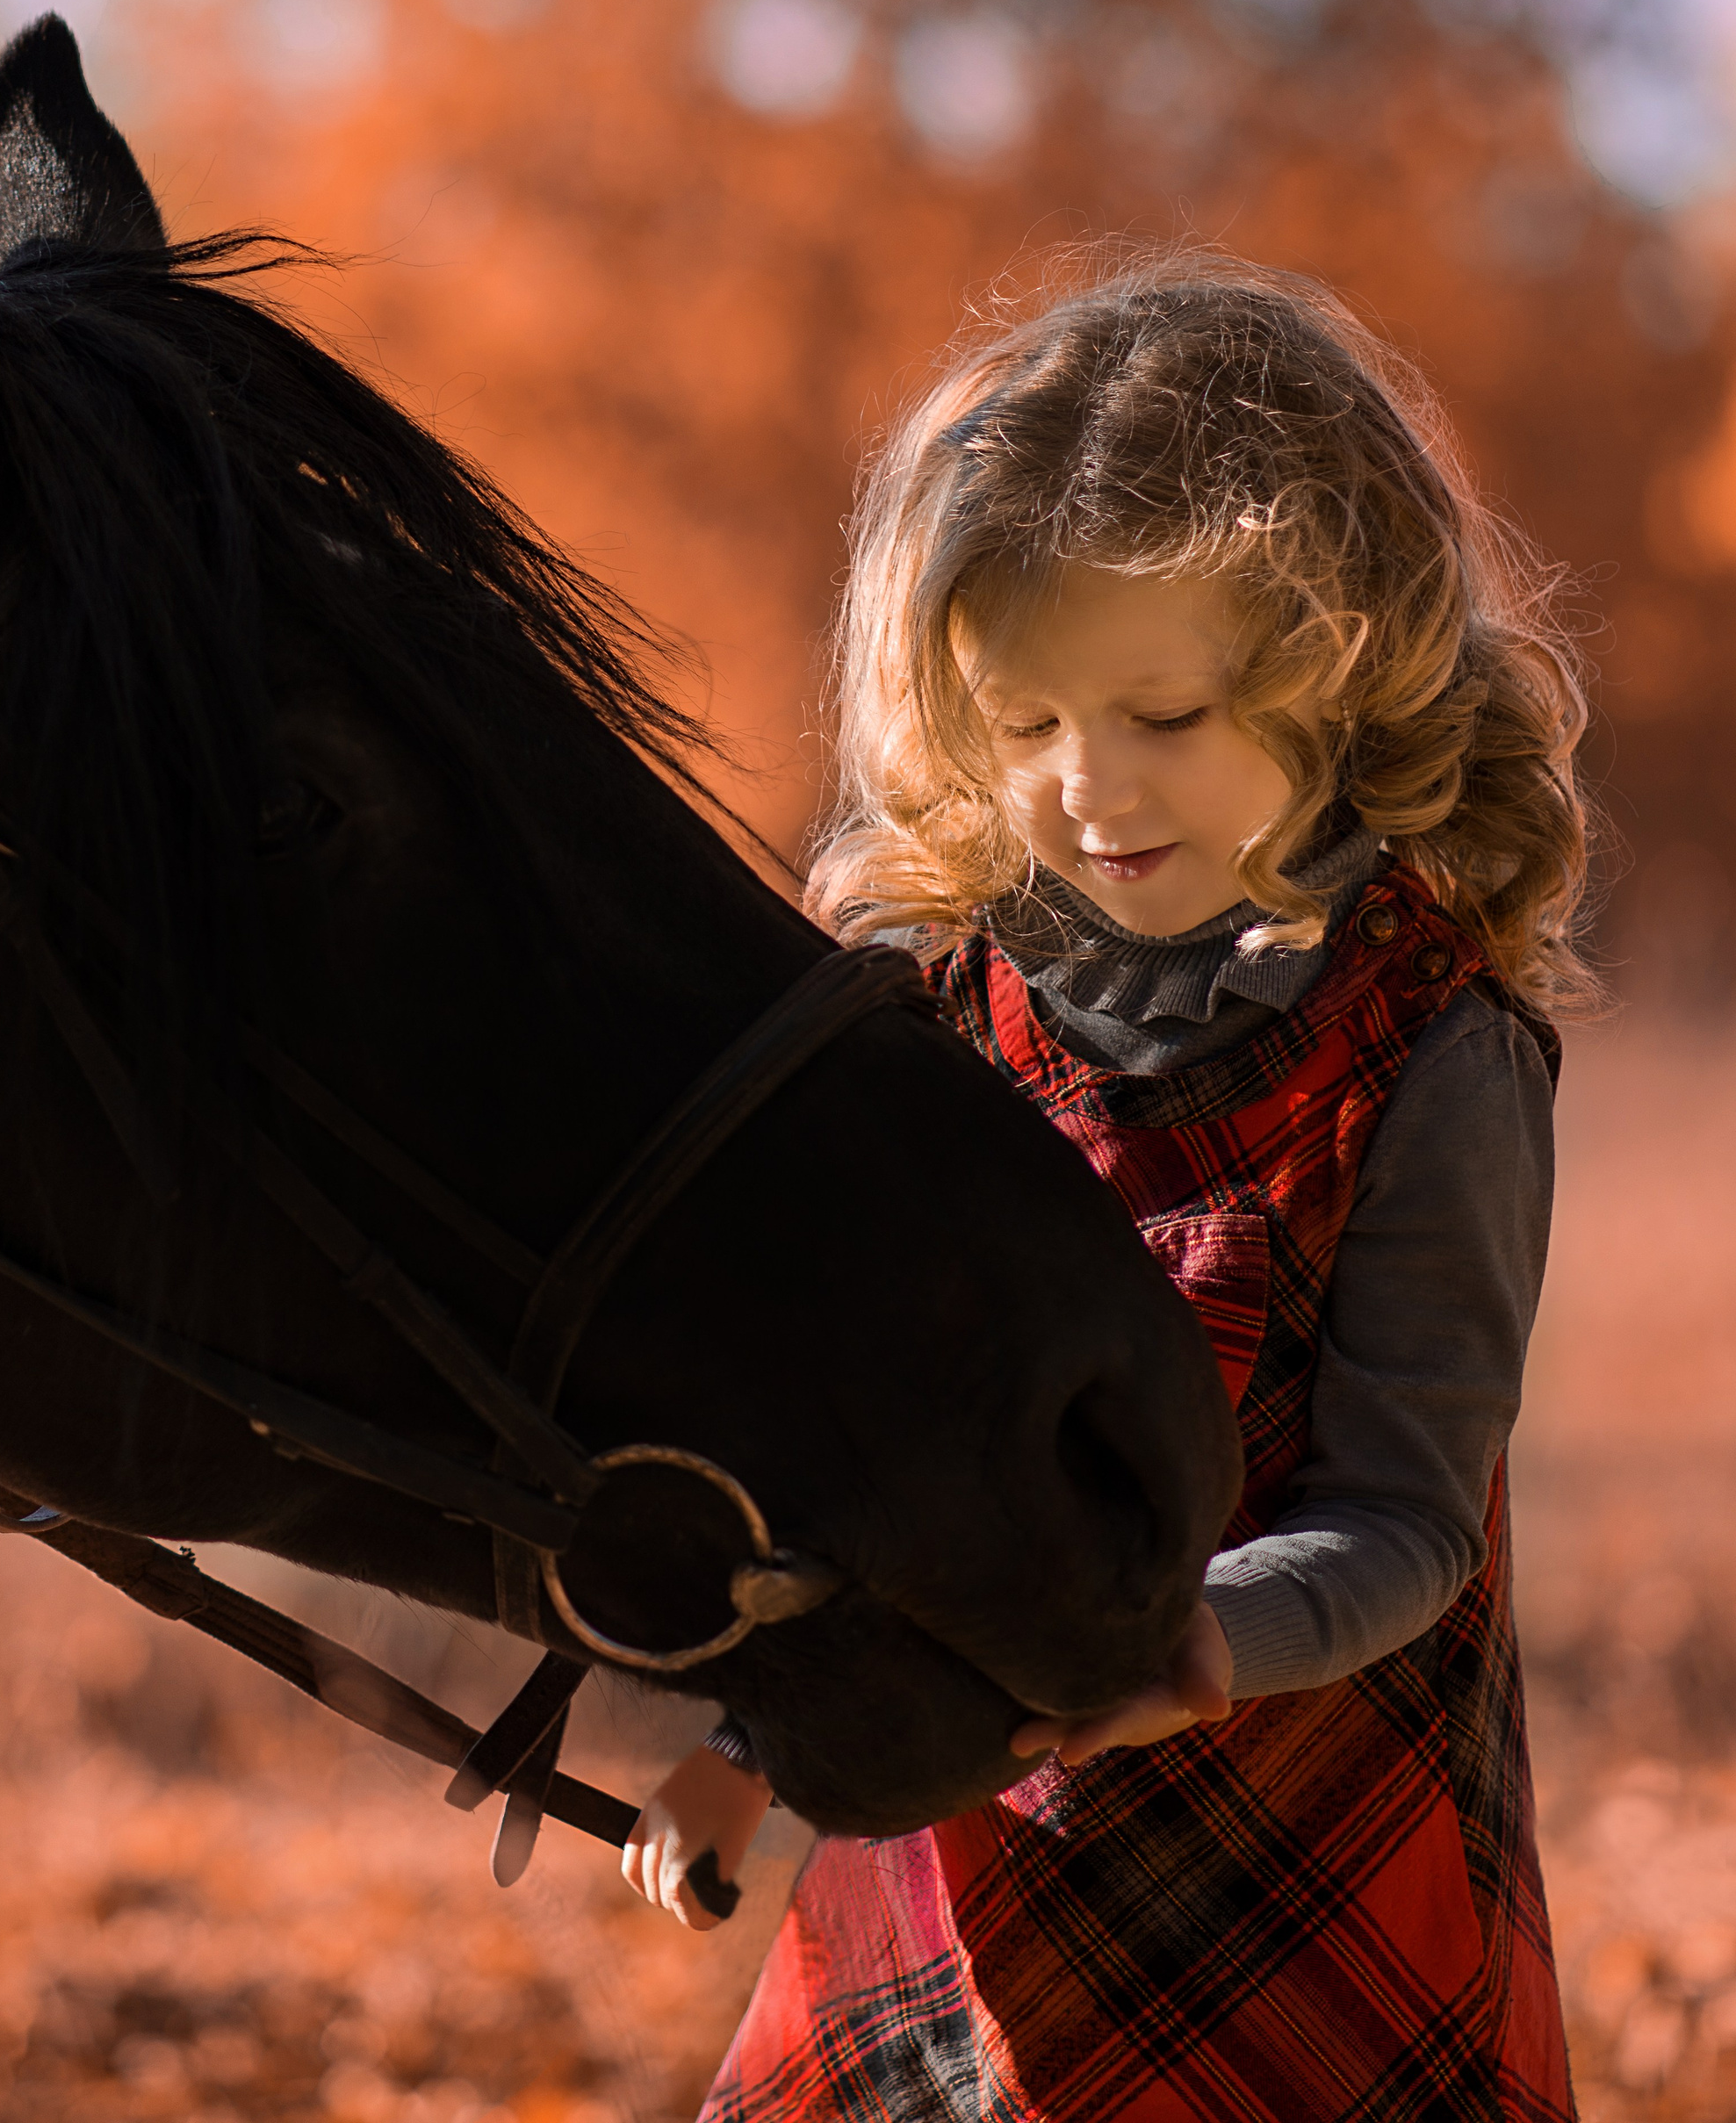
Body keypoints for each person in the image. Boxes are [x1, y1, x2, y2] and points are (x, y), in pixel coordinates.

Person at [622, 251, 1589, 2120]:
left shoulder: (1424, 1051)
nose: (1085, 788)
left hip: (1305, 1855)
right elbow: (869, 1478)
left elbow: (1410, 1512)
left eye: (1163, 715)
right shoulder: (932, 1019)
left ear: (1336, 679)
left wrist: (1194, 1644)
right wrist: (743, 1743)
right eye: (1026, 722)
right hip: (949, 1860)